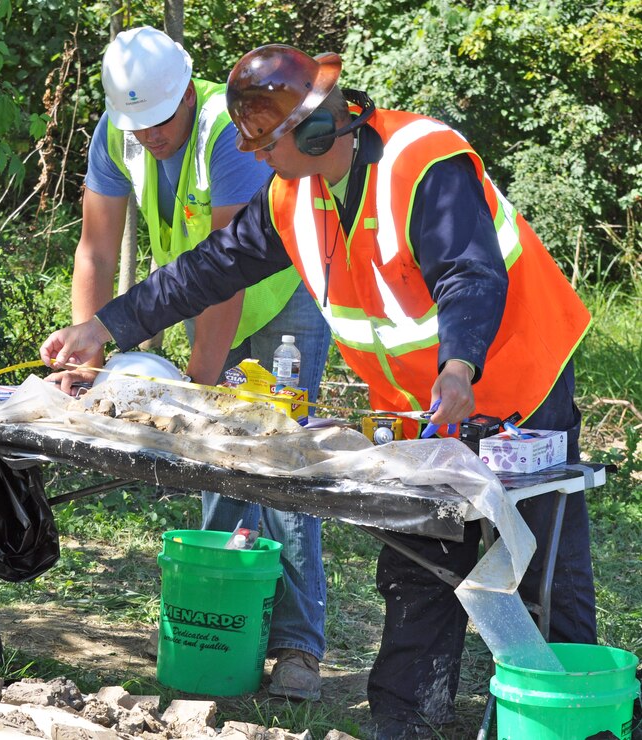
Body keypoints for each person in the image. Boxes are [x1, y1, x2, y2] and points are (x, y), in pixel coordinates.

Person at [40, 43, 595, 740]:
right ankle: (405, 721)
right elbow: (205, 272)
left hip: (518, 379)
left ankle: (579, 718)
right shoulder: (291, 195)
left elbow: (470, 275)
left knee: (541, 561)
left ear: (312, 132)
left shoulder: (422, 162)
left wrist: (460, 365)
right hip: (430, 402)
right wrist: (104, 326)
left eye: (265, 144)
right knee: (424, 550)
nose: (259, 159)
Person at [49, 26, 332, 701]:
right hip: (205, 297)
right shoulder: (116, 131)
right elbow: (95, 247)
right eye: (136, 123)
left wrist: (197, 390)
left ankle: (298, 647)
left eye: (159, 121)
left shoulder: (223, 129)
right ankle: (227, 625)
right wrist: (86, 352)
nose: (148, 135)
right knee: (216, 467)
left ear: (184, 92)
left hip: (282, 300)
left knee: (277, 461)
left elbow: (227, 271)